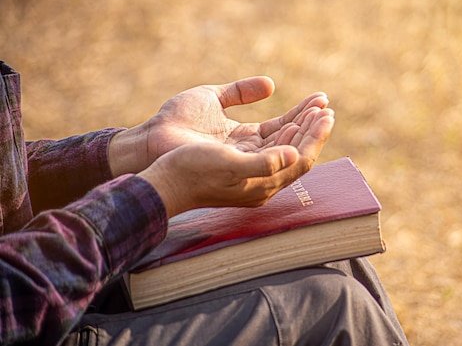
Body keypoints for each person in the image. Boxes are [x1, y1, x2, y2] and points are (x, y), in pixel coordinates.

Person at [0, 60, 409, 346]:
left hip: (52, 273)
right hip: (34, 313)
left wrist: (132, 148)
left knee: (326, 250)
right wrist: (161, 192)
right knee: (331, 306)